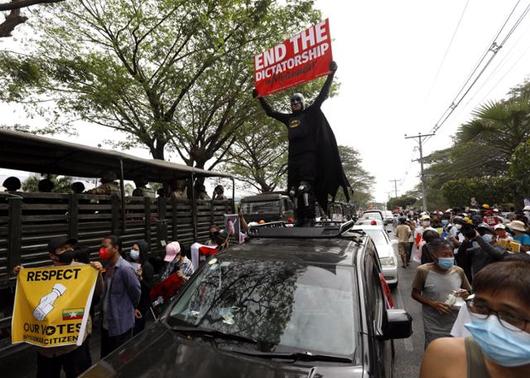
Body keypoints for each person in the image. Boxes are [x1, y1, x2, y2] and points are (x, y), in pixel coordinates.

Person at [255, 60, 350, 226]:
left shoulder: (310, 113)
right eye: (292, 103)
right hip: (293, 160)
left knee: (304, 188)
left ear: (302, 102)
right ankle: (299, 218)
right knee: (292, 191)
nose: (294, 104)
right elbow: (271, 112)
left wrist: (331, 74)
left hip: (308, 158)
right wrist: (260, 98)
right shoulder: (289, 118)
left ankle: (310, 218)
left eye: (297, 102)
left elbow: (322, 96)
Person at [420, 257, 530, 378]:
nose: (490, 325)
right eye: (482, 307)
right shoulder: (445, 355)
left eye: (510, 315)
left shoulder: (458, 271)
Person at [13, 236, 104, 378]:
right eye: (63, 249)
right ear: (52, 255)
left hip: (74, 343)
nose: (68, 250)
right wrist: (22, 275)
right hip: (47, 347)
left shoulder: (84, 270)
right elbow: (28, 295)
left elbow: (98, 292)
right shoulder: (43, 274)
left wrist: (97, 274)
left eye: (69, 248)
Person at [412, 239, 471, 348]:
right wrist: (433, 304)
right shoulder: (423, 271)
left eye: (451, 254)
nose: (449, 258)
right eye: (444, 255)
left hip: (456, 322)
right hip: (433, 324)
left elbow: (468, 294)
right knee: (435, 352)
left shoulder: (459, 271)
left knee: (454, 352)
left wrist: (466, 295)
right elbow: (415, 294)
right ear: (434, 255)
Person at [99, 235, 141, 358]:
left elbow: (136, 291)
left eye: (105, 247)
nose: (102, 250)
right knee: (106, 359)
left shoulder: (125, 269)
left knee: (119, 360)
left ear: (116, 248)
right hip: (107, 323)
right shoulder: (108, 267)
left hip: (121, 325)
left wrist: (130, 308)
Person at [127, 240, 154, 335]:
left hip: (141, 304)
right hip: (131, 302)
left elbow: (149, 288)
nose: (133, 251)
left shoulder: (147, 267)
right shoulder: (129, 263)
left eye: (136, 249)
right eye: (132, 249)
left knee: (137, 329)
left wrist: (141, 278)